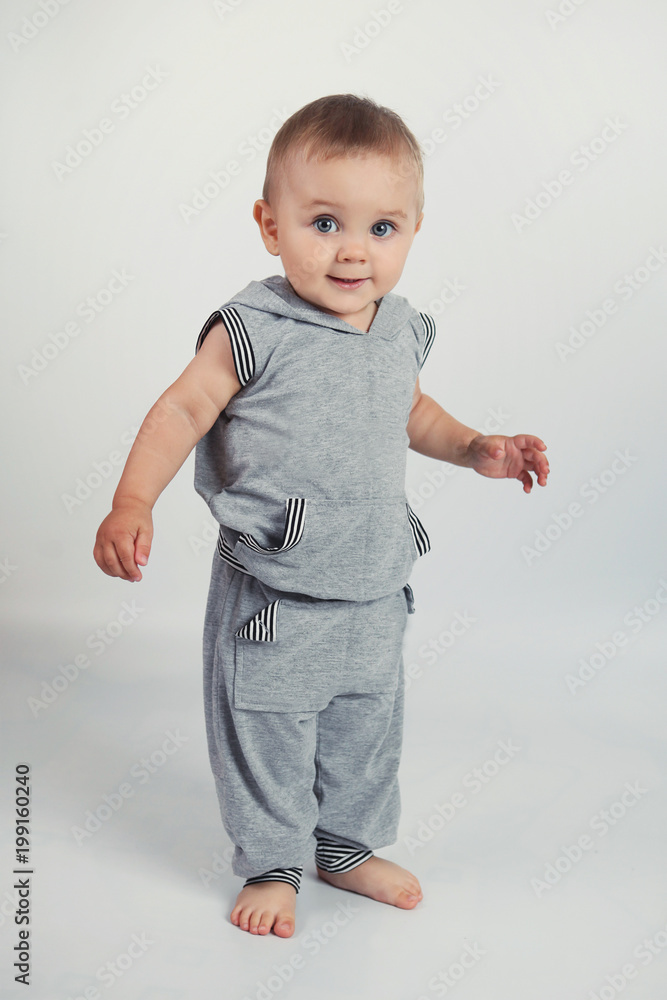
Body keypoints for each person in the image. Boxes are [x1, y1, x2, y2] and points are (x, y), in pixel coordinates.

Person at [94, 93, 550, 939]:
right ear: (270, 225)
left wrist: (474, 447)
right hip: (276, 588)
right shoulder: (254, 327)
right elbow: (183, 410)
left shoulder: (401, 329)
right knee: (264, 727)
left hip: (373, 587)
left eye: (382, 228)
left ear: (414, 229)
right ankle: (271, 861)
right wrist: (132, 500)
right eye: (323, 222)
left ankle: (343, 847)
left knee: (365, 730)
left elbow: (412, 413)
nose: (352, 251)